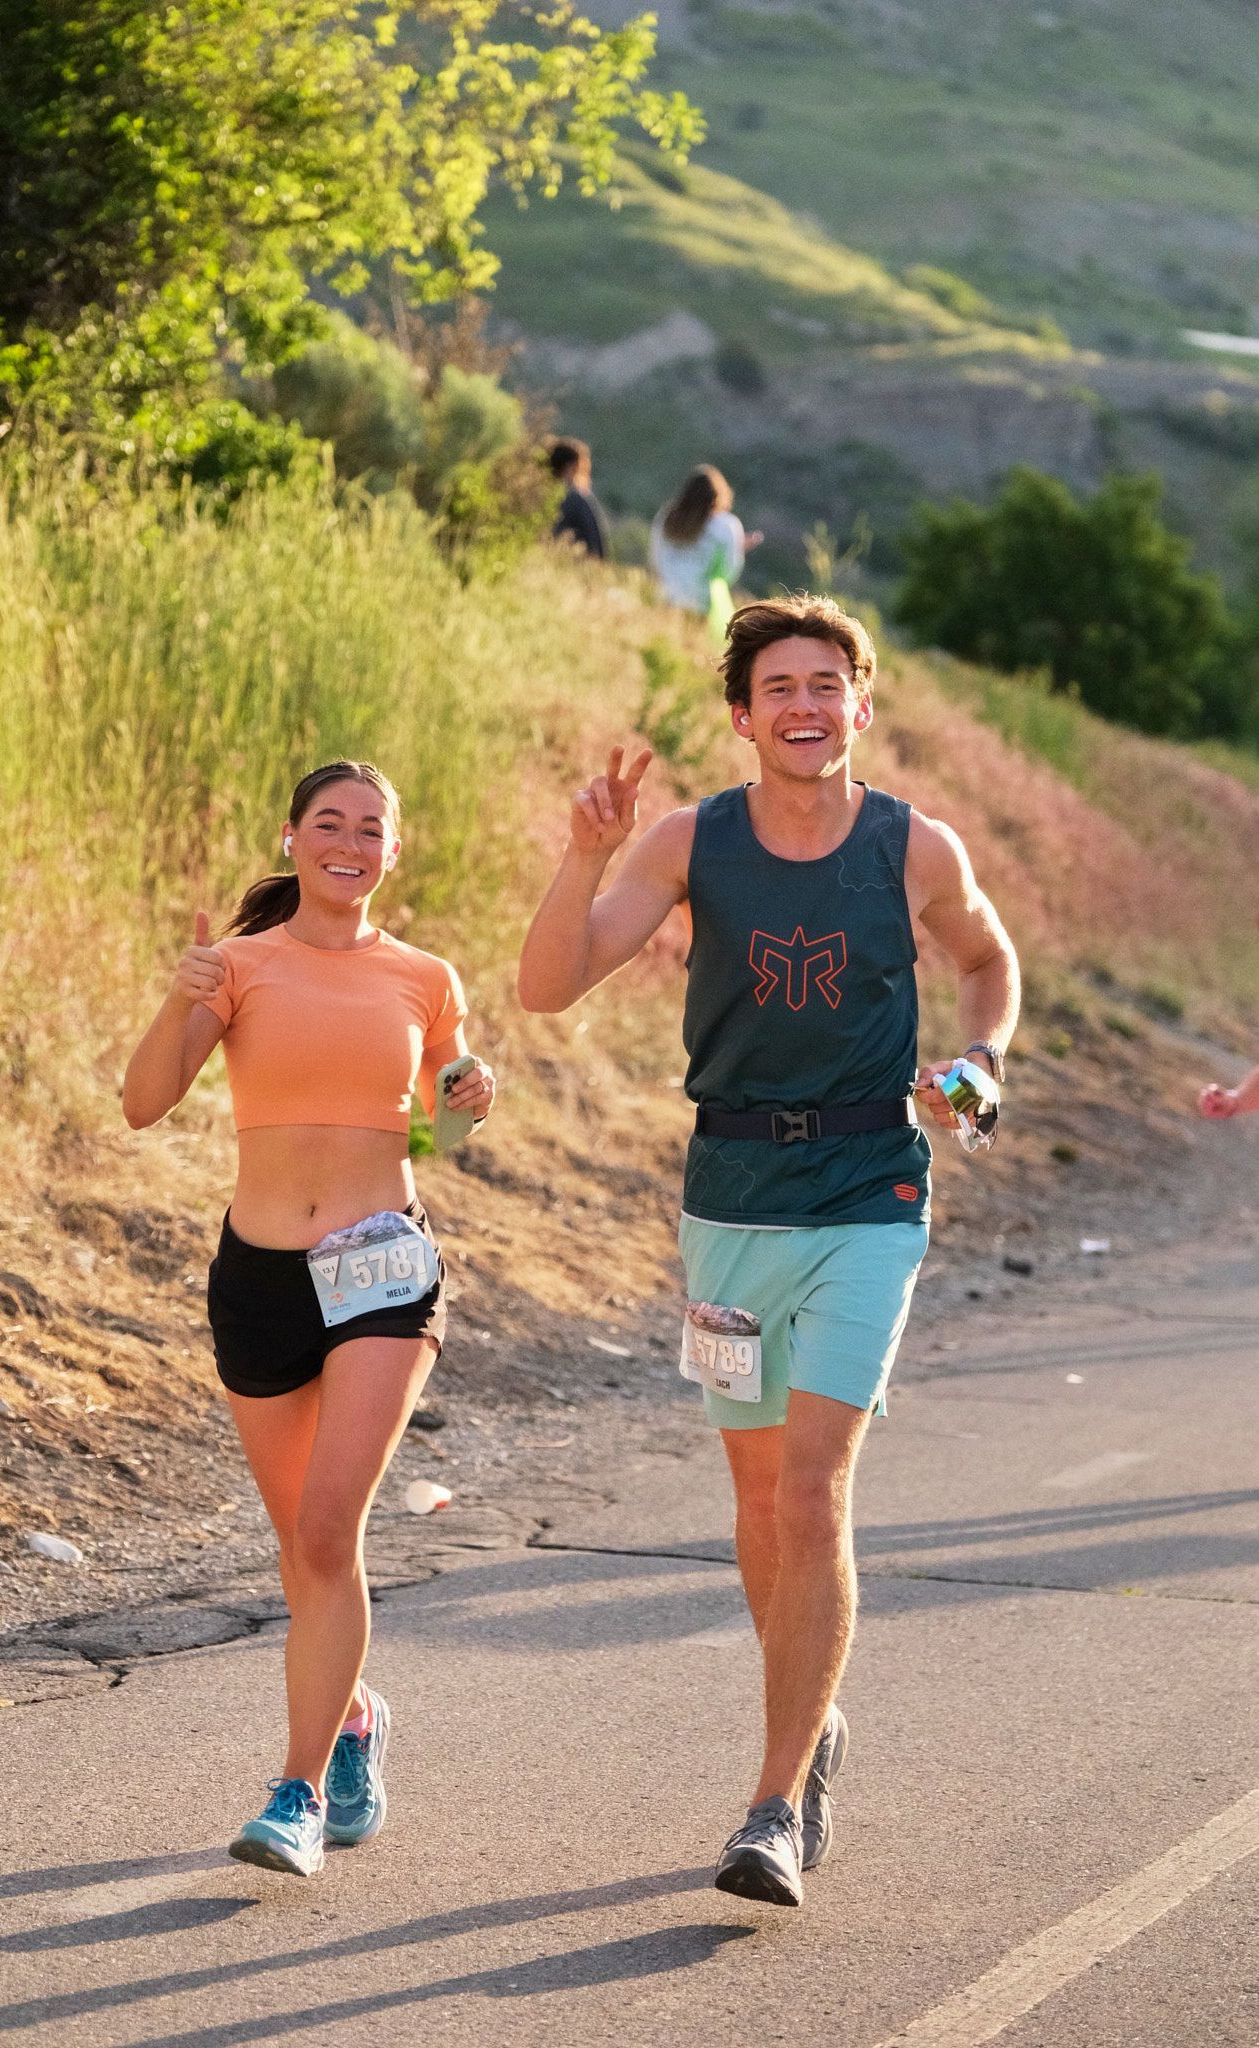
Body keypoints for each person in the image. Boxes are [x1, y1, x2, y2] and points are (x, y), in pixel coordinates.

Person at [518, 594, 1019, 1908]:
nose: (804, 707)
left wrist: (978, 1058)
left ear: (862, 704)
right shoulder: (691, 841)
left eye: (826, 684)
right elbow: (546, 984)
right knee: (751, 1505)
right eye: (777, 688)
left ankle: (775, 1799)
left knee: (809, 1493)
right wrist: (585, 854)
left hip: (870, 1188)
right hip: (730, 1198)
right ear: (742, 717)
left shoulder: (915, 848)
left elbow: (987, 962)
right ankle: (818, 1720)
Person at [123, 760, 495, 1877]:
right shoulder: (237, 965)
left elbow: (438, 1135)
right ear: (291, 840)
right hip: (260, 1277)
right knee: (301, 1550)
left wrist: (465, 1101)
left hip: (382, 1266)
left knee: (331, 1531)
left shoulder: (427, 977)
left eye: (370, 826)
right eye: (328, 822)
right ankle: (355, 1715)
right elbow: (142, 1104)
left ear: (394, 850)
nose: (349, 840)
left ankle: (296, 1790)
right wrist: (185, 996)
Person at [649, 464, 762, 622]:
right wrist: (738, 548)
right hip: (701, 608)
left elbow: (655, 555)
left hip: (664, 601)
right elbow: (729, 571)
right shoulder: (726, 526)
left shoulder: (667, 516)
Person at [549, 436, 610, 560]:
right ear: (572, 467)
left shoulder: (537, 497)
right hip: (575, 569)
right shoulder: (577, 500)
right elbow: (596, 544)